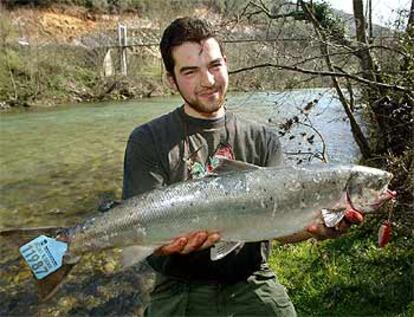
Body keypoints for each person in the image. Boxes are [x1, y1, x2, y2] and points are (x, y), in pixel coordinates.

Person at [122, 17, 363, 317]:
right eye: (190, 72)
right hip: (179, 287)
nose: (208, 81)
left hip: (251, 280)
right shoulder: (148, 140)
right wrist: (160, 244)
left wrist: (317, 228)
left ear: (226, 63)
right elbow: (136, 224)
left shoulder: (262, 139)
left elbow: (282, 228)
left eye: (214, 66)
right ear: (172, 80)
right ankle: (56, 252)